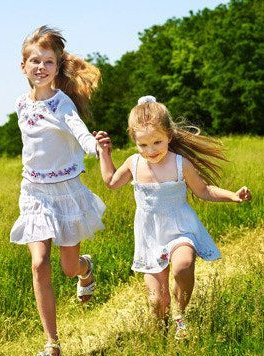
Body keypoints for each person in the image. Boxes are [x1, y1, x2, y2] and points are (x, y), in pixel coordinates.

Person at [95, 95, 251, 339]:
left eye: (157, 142)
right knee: (157, 303)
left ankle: (180, 314)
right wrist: (104, 153)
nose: (151, 150)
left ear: (168, 134)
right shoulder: (134, 164)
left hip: (181, 228)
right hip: (150, 235)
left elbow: (205, 191)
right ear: (134, 141)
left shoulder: (180, 164)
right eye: (143, 145)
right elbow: (111, 182)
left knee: (183, 265)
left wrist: (234, 196)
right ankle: (164, 325)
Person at [10, 25, 109, 356]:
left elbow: (79, 132)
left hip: (66, 191)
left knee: (67, 268)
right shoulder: (21, 104)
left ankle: (85, 269)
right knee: (39, 264)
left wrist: (96, 147)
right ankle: (52, 345)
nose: (40, 67)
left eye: (47, 61)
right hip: (34, 193)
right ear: (23, 66)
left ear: (57, 66)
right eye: (34, 61)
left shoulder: (62, 102)